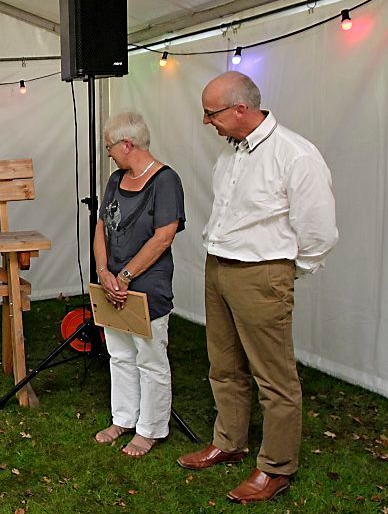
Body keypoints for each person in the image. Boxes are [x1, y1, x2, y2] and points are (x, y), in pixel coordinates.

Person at [177, 71, 338, 504]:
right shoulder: (231, 154)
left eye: (211, 114)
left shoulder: (295, 155)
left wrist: (283, 272)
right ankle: (229, 442)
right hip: (219, 267)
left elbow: (319, 231)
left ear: (240, 109)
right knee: (223, 363)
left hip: (262, 273)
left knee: (274, 377)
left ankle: (276, 467)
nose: (207, 122)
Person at [93, 111, 185, 458]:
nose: (109, 154)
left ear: (127, 144)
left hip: (147, 287)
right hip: (112, 284)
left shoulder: (165, 181)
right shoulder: (116, 180)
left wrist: (126, 276)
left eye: (110, 148)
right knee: (119, 354)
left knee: (150, 358)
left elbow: (163, 237)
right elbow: (102, 226)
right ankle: (124, 418)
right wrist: (103, 270)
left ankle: (150, 429)